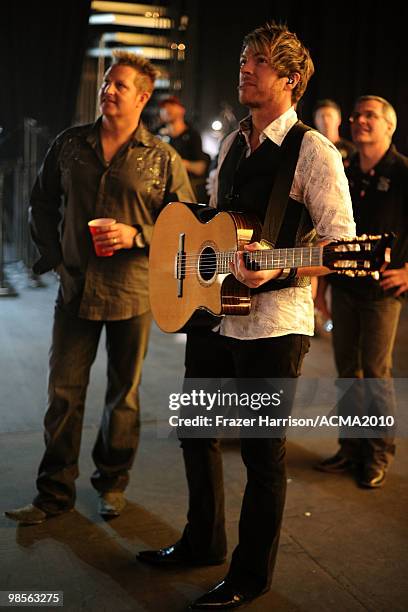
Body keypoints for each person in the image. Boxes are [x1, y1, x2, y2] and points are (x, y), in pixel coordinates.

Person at [137, 22, 355, 610]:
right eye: (243, 59)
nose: (245, 69)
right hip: (216, 313)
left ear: (290, 79)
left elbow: (341, 247)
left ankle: (249, 575)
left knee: (262, 454)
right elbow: (215, 223)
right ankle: (202, 541)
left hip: (274, 324)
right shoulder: (234, 142)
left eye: (258, 61)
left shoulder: (314, 151)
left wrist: (278, 269)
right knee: (195, 433)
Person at [5, 51, 194, 525]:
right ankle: (53, 494)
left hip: (133, 293)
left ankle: (112, 483)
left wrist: (137, 236)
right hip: (75, 291)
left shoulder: (162, 157)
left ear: (143, 97)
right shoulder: (71, 144)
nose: (108, 90)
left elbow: (187, 227)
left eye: (120, 85)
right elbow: (41, 201)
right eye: (107, 82)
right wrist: (54, 258)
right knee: (64, 395)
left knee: (122, 396)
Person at [316, 95, 408, 488]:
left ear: (390, 125)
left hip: (383, 292)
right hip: (344, 287)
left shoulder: (403, 173)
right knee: (346, 372)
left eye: (370, 115)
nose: (359, 121)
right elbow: (325, 230)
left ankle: (377, 454)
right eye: (356, 115)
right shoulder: (344, 169)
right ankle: (350, 447)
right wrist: (320, 287)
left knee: (375, 373)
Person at [158, 95, 210, 201]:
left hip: (182, 191)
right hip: (159, 188)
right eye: (164, 106)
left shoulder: (192, 135)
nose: (167, 109)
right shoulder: (157, 135)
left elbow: (200, 168)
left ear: (182, 110)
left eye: (172, 105)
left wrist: (177, 162)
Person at [313, 98, 355, 167]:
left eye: (329, 116)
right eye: (321, 116)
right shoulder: (311, 148)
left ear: (339, 120)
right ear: (315, 121)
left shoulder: (351, 150)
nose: (325, 120)